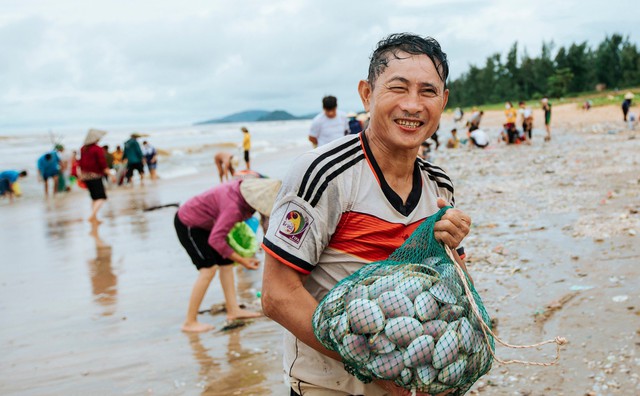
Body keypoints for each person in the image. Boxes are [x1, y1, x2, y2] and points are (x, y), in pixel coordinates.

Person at [261, 33, 472, 396]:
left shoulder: (439, 186)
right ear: (366, 93)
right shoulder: (325, 174)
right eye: (398, 88)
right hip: (330, 386)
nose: (412, 105)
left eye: (427, 91)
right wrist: (378, 372)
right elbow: (277, 295)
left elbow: (450, 290)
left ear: (444, 100)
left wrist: (453, 248)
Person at [175, 178, 282, 332]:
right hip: (189, 223)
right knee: (208, 269)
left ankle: (233, 310)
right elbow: (215, 240)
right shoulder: (233, 208)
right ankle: (189, 322)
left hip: (209, 223)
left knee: (226, 263)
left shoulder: (244, 188)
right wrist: (242, 260)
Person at [79, 129, 112, 223]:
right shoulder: (97, 149)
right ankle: (92, 215)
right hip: (95, 176)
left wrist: (81, 175)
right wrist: (110, 174)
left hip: (85, 176)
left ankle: (95, 217)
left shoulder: (83, 148)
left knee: (94, 197)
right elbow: (102, 163)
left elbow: (81, 163)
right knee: (101, 197)